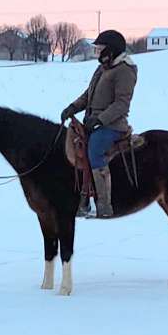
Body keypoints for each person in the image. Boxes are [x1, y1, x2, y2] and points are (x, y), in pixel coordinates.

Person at [61, 29, 137, 218]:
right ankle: (81, 199)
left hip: (113, 125)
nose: (97, 52)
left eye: (100, 48)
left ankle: (104, 206)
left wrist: (100, 119)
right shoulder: (103, 67)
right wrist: (73, 107)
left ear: (110, 50)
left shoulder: (124, 71)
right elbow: (89, 95)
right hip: (93, 122)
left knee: (94, 149)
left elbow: (121, 104)